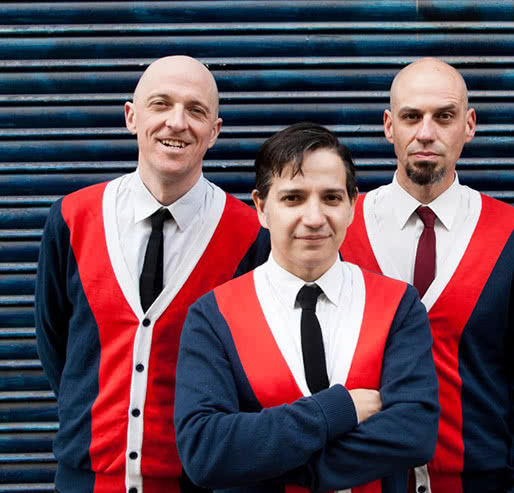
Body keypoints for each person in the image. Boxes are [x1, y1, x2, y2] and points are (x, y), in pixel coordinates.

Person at [34, 55, 270, 493]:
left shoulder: (250, 235)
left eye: (195, 110)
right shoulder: (72, 218)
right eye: (160, 104)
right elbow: (57, 345)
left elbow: (253, 370)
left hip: (195, 481)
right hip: (85, 479)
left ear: (215, 131)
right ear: (131, 117)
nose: (176, 123)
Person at [173, 122, 440, 492]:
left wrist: (274, 466)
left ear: (352, 206)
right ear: (261, 207)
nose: (314, 219)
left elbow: (414, 433)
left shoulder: (398, 305)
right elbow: (205, 450)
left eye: (331, 198)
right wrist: (336, 410)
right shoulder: (213, 316)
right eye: (293, 198)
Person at [339, 58, 514, 493]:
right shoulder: (340, 228)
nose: (426, 133)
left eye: (444, 116)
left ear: (469, 125)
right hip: (366, 479)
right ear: (389, 126)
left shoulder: (511, 232)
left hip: (480, 480)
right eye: (411, 117)